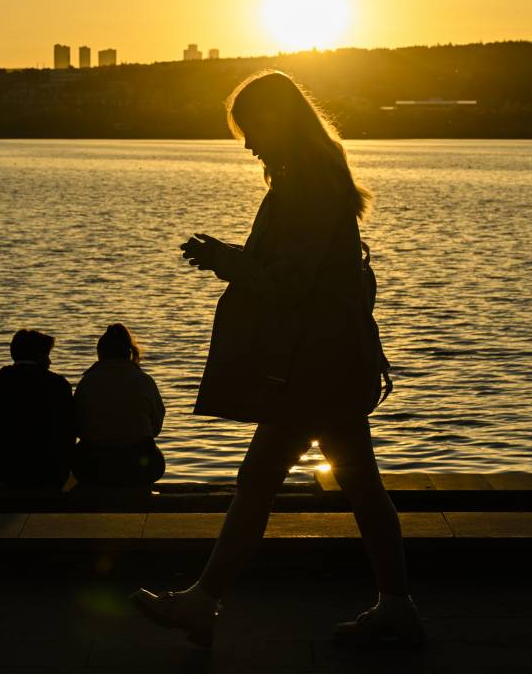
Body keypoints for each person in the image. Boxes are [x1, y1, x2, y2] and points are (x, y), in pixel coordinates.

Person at [130, 70, 422, 648]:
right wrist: (230, 256)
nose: (247, 144)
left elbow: (291, 283)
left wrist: (226, 263)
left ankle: (206, 601)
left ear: (276, 121)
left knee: (272, 481)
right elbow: (297, 268)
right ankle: (394, 607)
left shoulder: (308, 186)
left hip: (314, 366)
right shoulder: (306, 180)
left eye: (251, 129)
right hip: (323, 360)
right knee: (347, 485)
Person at [0, 329, 75, 489]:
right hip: (47, 470)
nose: (50, 362)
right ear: (40, 356)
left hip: (0, 468)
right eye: (48, 355)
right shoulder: (58, 385)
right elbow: (68, 432)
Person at [72, 324, 166, 489]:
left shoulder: (87, 382)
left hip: (93, 467)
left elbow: (77, 427)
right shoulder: (144, 381)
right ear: (129, 353)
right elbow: (155, 428)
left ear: (100, 352)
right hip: (139, 465)